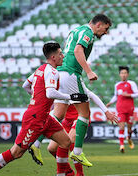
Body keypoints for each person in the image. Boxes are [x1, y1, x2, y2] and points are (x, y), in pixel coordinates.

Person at [0, 42, 88, 176]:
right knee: (16, 152)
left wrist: (37, 99)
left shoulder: (40, 69)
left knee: (65, 142)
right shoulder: (52, 71)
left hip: (45, 117)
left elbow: (25, 85)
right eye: (60, 53)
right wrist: (69, 97)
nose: (63, 56)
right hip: (35, 118)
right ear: (53, 57)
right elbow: (50, 92)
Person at [52, 14, 113, 167]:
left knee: (58, 114)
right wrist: (89, 71)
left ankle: (36, 143)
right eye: (105, 29)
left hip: (61, 71)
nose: (105, 33)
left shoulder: (77, 29)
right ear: (99, 24)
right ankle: (78, 152)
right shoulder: (88, 33)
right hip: (72, 72)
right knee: (84, 114)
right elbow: (78, 50)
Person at [106, 66, 138, 153]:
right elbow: (116, 96)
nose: (123, 75)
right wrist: (110, 102)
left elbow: (137, 94)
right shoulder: (117, 85)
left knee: (129, 128)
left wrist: (128, 95)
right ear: (119, 75)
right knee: (121, 126)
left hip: (130, 109)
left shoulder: (132, 83)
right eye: (122, 73)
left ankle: (129, 137)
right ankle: (121, 145)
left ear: (127, 74)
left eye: (125, 73)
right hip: (120, 108)